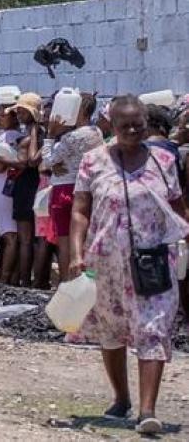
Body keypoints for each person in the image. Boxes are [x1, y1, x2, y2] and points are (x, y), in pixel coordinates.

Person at [69, 95, 188, 434]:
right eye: (125, 126)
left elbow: (177, 205)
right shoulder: (93, 161)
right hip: (105, 261)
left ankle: (147, 410)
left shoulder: (164, 159)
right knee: (112, 330)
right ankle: (121, 399)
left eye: (139, 124)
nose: (133, 130)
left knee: (154, 328)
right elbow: (80, 210)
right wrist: (76, 253)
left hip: (153, 261)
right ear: (112, 126)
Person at [42, 93, 103, 284]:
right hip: (87, 189)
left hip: (64, 190)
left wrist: (50, 135)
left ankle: (67, 283)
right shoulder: (96, 133)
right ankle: (86, 282)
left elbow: (47, 161)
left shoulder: (70, 137)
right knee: (84, 239)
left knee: (65, 240)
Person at [7, 93, 45, 286]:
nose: (19, 114)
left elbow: (26, 162)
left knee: (26, 239)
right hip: (35, 186)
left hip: (27, 186)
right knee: (34, 239)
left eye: (23, 111)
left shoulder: (35, 133)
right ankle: (32, 279)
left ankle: (25, 280)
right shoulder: (42, 132)